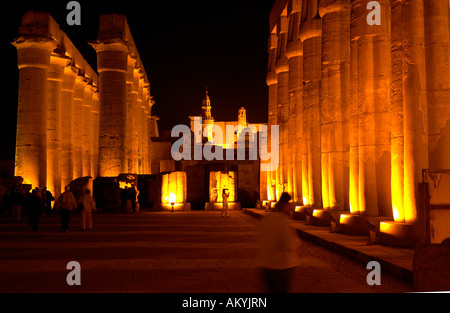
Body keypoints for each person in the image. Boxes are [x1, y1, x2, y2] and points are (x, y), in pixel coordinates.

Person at [258, 192, 300, 293]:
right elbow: (289, 244)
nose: (290, 209)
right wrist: (296, 240)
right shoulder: (283, 221)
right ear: (284, 206)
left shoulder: (266, 219)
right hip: (282, 266)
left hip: (266, 264)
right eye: (289, 206)